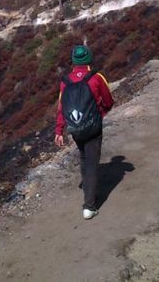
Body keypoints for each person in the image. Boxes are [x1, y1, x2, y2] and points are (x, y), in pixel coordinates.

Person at [54, 45, 114, 219]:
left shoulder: (65, 81)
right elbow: (109, 101)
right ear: (89, 58)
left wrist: (59, 130)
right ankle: (89, 206)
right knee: (92, 162)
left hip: (75, 127)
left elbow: (61, 108)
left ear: (73, 61)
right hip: (93, 126)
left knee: (83, 156)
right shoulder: (96, 77)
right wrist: (100, 113)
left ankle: (87, 189)